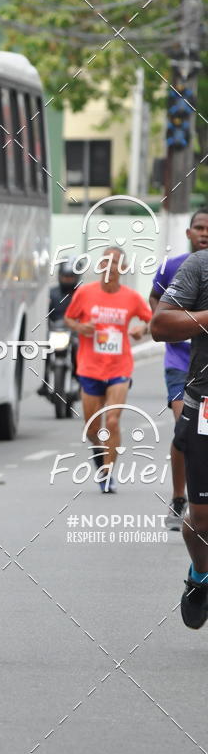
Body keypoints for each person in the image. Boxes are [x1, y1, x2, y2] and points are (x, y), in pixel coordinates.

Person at [64, 247, 152, 493]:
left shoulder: (132, 298)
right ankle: (100, 457)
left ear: (122, 268)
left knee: (112, 422)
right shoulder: (84, 293)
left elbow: (152, 320)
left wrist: (141, 330)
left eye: (114, 262)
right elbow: (70, 319)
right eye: (105, 261)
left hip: (119, 367)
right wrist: (81, 327)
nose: (109, 266)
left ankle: (108, 473)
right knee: (93, 428)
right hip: (90, 367)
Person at [151, 248, 208, 629]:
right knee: (202, 521)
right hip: (206, 403)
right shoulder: (200, 266)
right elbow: (160, 325)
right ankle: (201, 576)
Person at [148, 207, 208, 529]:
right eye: (198, 227)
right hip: (179, 359)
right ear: (188, 233)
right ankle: (179, 497)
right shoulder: (174, 266)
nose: (204, 233)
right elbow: (155, 301)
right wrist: (182, 327)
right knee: (183, 430)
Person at [38, 257, 79, 398]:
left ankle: (79, 378)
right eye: (65, 276)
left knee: (79, 348)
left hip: (75, 332)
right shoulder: (51, 294)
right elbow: (42, 313)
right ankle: (43, 382)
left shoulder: (82, 294)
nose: (67, 279)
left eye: (70, 277)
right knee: (42, 350)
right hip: (55, 330)